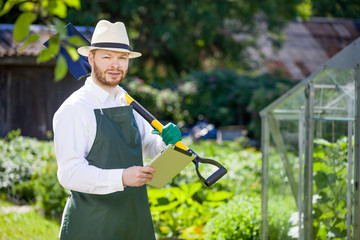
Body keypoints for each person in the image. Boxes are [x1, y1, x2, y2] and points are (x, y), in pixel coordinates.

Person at [52, 20, 182, 240]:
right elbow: (69, 174)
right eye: (107, 57)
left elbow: (149, 145)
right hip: (92, 225)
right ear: (91, 58)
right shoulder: (75, 108)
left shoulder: (126, 101)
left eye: (122, 58)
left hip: (134, 222)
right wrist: (121, 177)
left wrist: (165, 143)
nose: (115, 65)